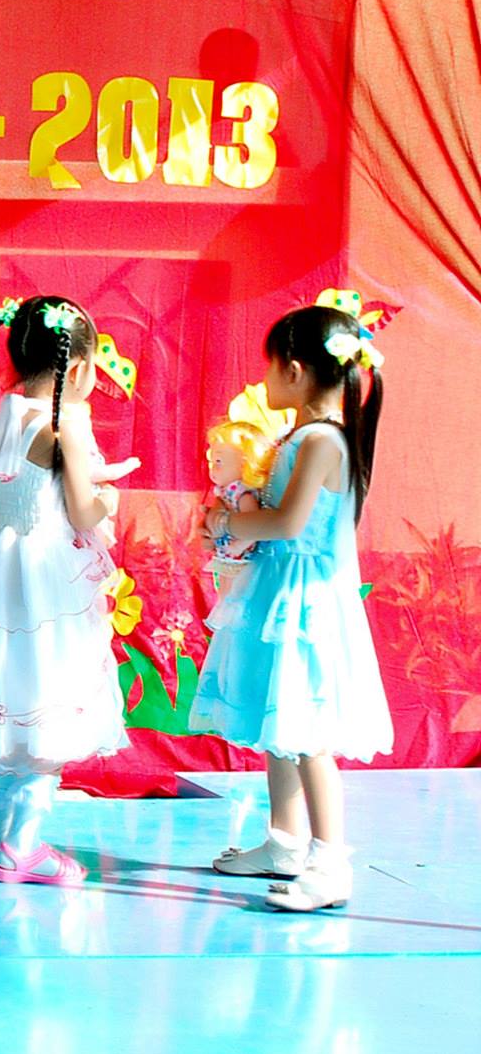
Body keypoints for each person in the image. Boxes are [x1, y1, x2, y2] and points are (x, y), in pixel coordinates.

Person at [0, 296, 138, 887]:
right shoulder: (65, 422)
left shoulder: (10, 411)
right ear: (79, 369)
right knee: (49, 702)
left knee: (12, 694)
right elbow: (83, 509)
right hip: (45, 574)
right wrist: (110, 498)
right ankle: (22, 848)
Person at [192, 305, 391, 913]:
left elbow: (287, 522)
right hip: (280, 591)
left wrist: (227, 523)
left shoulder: (321, 440)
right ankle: (284, 842)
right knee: (279, 725)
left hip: (302, 603)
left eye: (270, 366)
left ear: (296, 371)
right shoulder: (307, 437)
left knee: (308, 736)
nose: (265, 379)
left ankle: (329, 864)